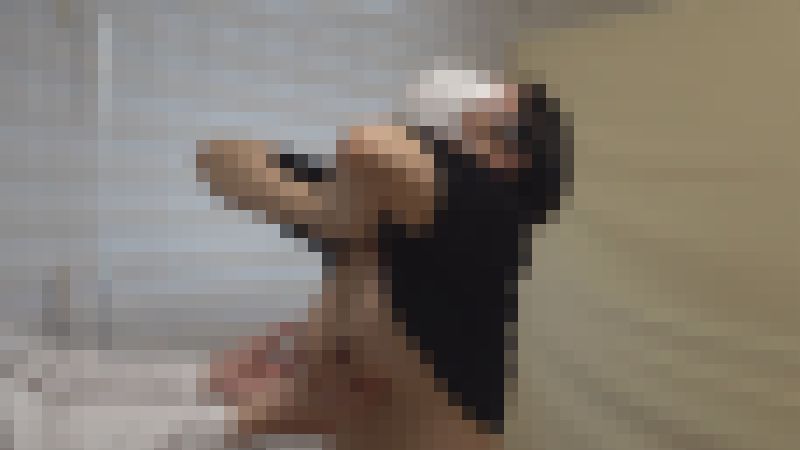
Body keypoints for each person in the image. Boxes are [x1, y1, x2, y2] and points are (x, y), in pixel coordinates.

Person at [195, 70, 572, 450]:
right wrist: (323, 212)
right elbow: (219, 157)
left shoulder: (491, 210)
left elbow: (366, 144)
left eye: (487, 100)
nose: (473, 100)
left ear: (512, 152)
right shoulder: (373, 200)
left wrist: (333, 215)